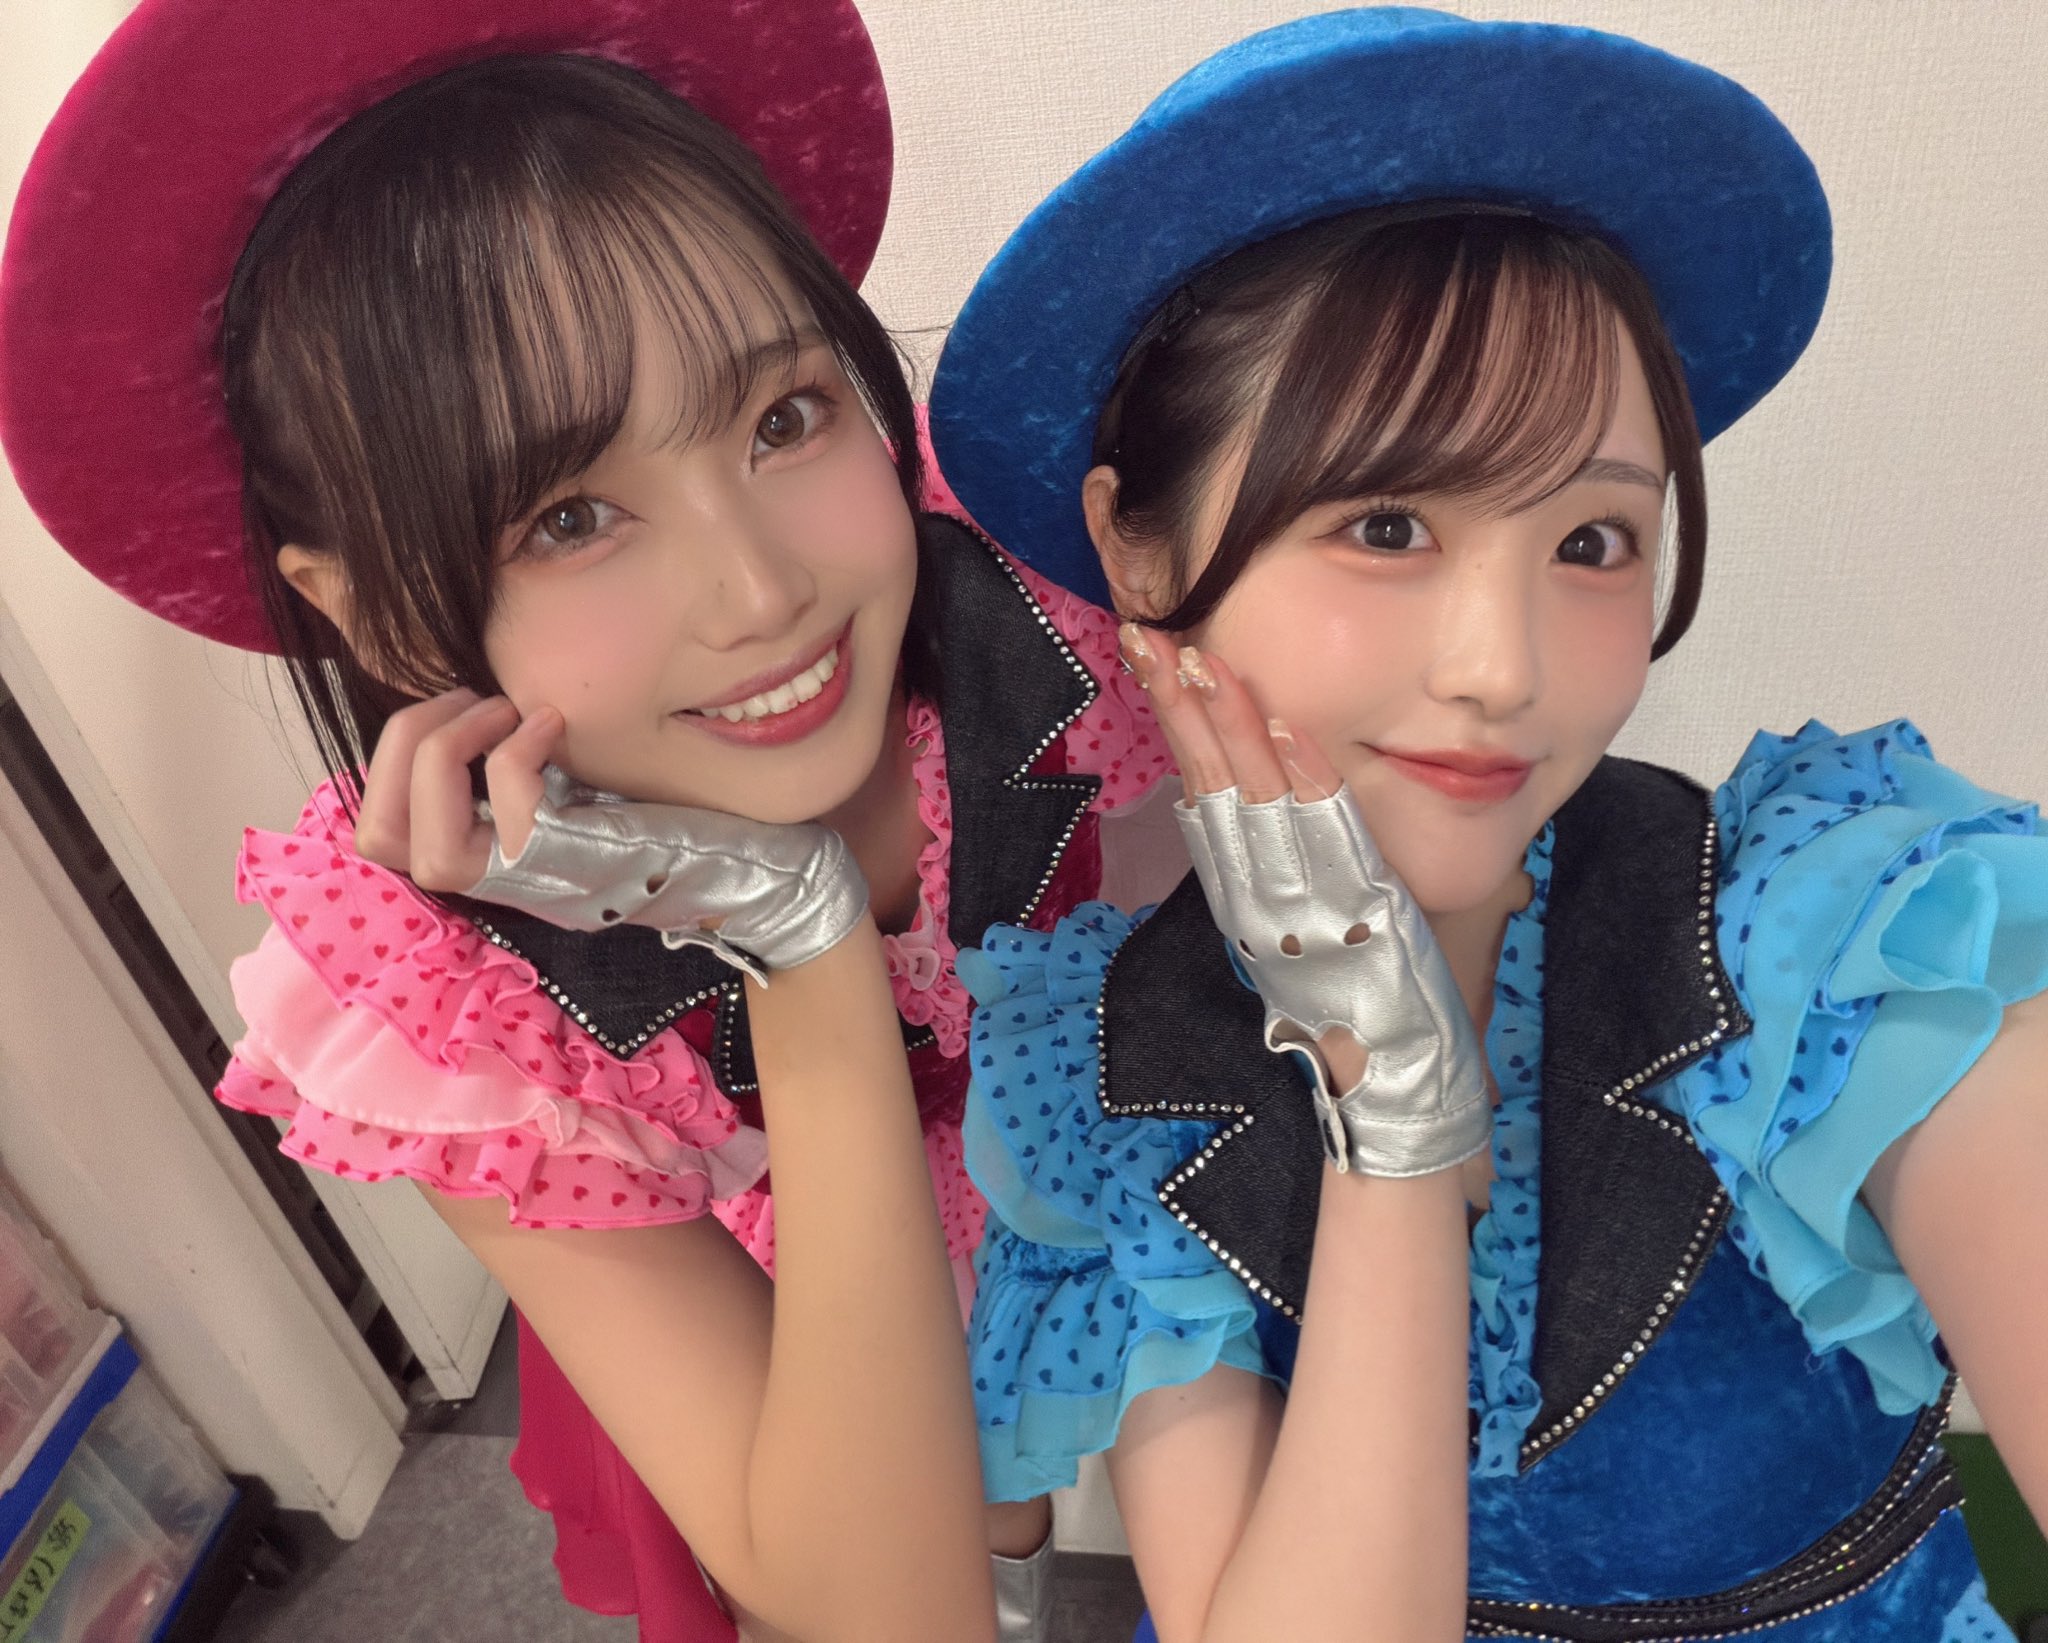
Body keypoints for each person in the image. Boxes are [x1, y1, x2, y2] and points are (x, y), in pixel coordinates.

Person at [0, 1, 1164, 1637]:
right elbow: (881, 1605)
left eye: (782, 418)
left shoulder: (1021, 590)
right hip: (777, 1299)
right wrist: (797, 935)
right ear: (373, 614)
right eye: (570, 517)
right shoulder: (442, 994)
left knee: (1030, 1475)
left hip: (1062, 1160)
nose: (761, 592)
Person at [927, 9, 2048, 1641]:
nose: (1503, 670)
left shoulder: (1825, 927)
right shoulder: (1109, 1074)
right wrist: (1393, 1101)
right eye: (1388, 525)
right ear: (1143, 556)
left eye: (1593, 541)